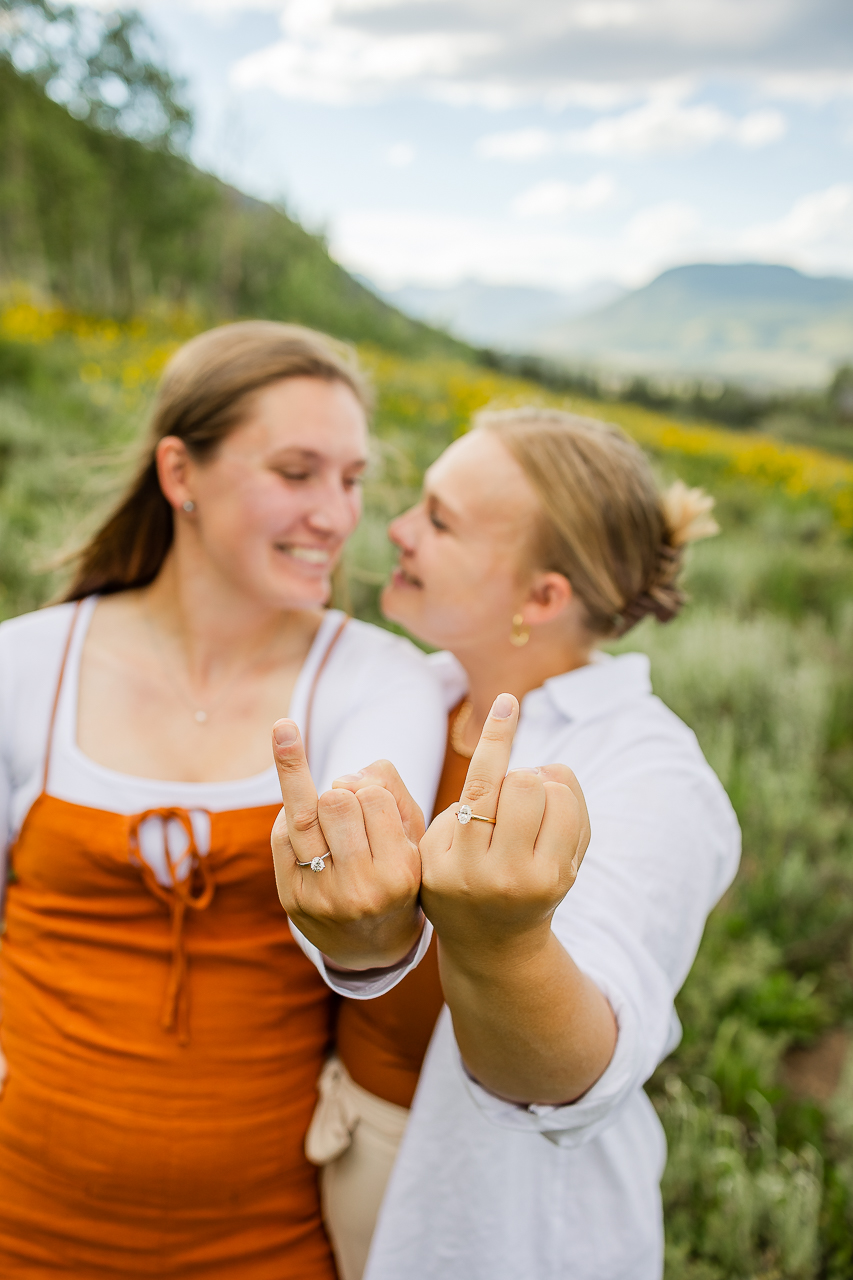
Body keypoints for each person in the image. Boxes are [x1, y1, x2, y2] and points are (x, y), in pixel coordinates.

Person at [0, 321, 446, 1277]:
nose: (337, 514)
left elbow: (371, 933)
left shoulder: (377, 683)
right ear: (180, 473)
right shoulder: (25, 665)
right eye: (297, 472)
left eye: (353, 479)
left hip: (270, 1239)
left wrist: (366, 921)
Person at [271, 406, 741, 1280]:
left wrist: (504, 939)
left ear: (542, 598)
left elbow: (576, 1072)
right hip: (335, 1156)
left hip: (501, 1228)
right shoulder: (414, 689)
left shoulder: (651, 776)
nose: (397, 530)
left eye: (439, 519)